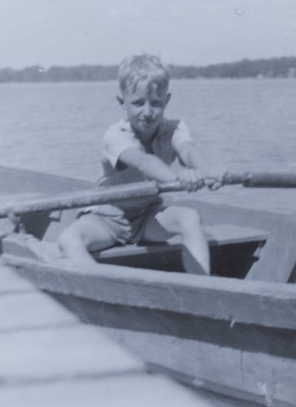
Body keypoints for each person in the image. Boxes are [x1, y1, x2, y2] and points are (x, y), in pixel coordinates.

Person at [57, 54, 224, 274]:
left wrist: (208, 171)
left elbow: (188, 150)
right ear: (122, 102)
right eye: (137, 103)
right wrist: (178, 179)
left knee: (190, 217)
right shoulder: (115, 135)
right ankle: (107, 291)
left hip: (148, 217)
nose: (147, 112)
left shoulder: (175, 128)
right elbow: (143, 162)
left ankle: (204, 289)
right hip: (107, 219)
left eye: (156, 103)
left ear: (167, 100)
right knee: (68, 240)